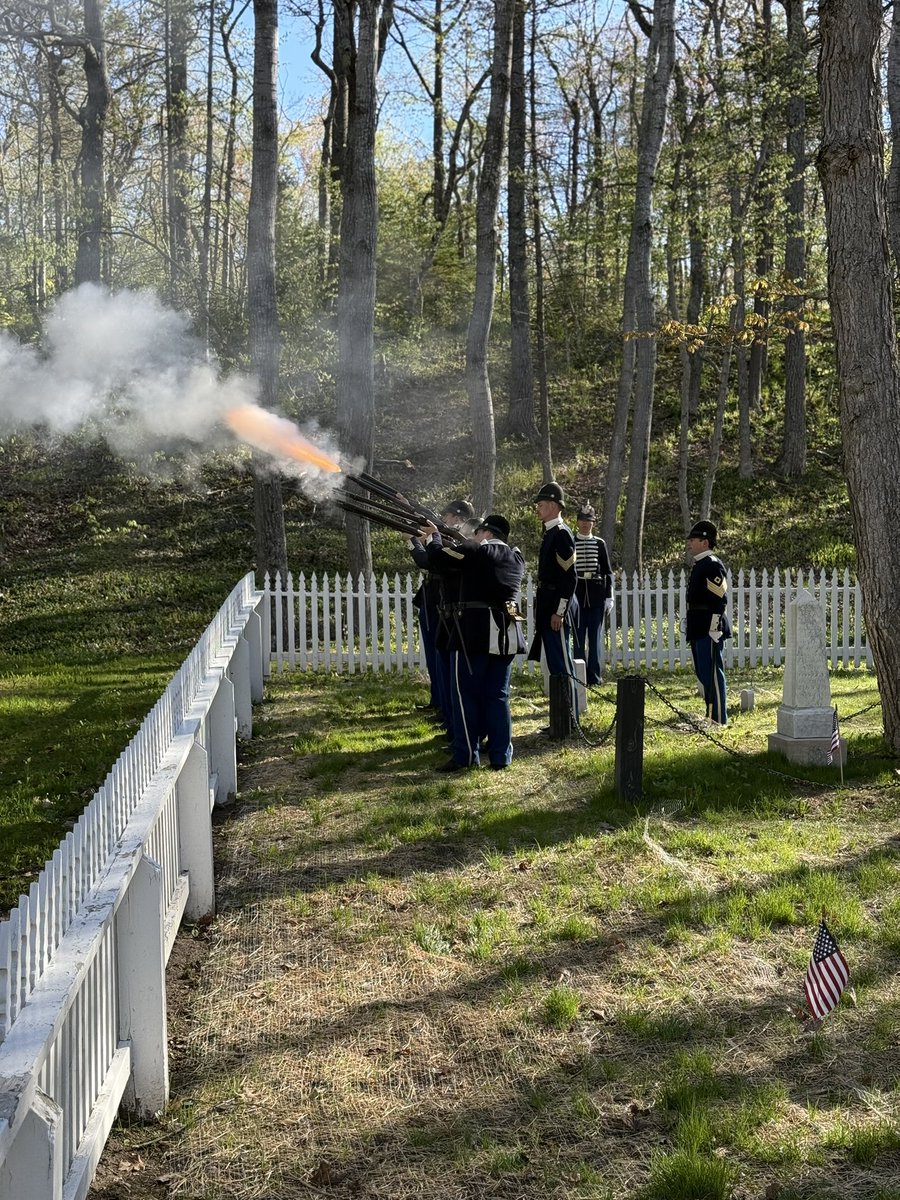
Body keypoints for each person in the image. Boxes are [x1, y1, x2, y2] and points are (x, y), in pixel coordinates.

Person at [422, 514, 525, 771]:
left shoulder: (475, 549)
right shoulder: (516, 557)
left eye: (477, 532)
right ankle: (501, 756)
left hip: (474, 634)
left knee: (465, 695)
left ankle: (466, 755)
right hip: (508, 635)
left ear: (485, 533)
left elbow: (437, 560)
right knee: (498, 696)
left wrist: (433, 537)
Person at [408, 498, 475, 727]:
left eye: (448, 516)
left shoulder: (458, 544)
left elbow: (428, 561)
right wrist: (406, 504)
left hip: (440, 602)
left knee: (442, 660)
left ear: (459, 519)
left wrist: (414, 543)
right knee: (435, 658)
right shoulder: (447, 539)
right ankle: (440, 702)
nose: (444, 519)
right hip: (432, 599)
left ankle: (446, 708)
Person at [527, 481, 580, 716]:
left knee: (562, 665)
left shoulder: (560, 534)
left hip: (556, 609)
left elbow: (569, 579)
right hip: (548, 605)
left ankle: (570, 716)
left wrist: (560, 611)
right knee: (555, 665)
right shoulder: (550, 532)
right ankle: (561, 717)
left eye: (541, 504)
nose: (537, 508)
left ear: (553, 506)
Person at [684, 519, 731, 726]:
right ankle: (711, 715)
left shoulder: (711, 565)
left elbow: (720, 599)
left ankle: (719, 718)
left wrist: (714, 626)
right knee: (704, 673)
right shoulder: (700, 565)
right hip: (698, 625)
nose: (689, 543)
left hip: (709, 628)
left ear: (705, 542)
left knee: (712, 674)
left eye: (693, 540)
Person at [572, 503, 614, 685]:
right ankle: (580, 676)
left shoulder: (599, 543)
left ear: (593, 523)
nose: (585, 524)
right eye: (582, 521)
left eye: (589, 521)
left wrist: (609, 596)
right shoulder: (571, 542)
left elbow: (608, 571)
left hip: (596, 595)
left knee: (595, 639)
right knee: (579, 638)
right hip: (578, 595)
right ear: (577, 522)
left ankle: (595, 677)